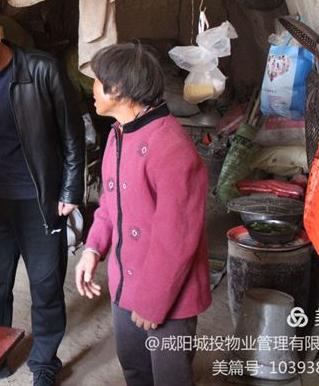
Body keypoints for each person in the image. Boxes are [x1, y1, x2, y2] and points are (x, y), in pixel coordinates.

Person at [0, 7, 84, 386]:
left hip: (41, 198)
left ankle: (45, 362)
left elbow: (72, 133)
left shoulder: (42, 70)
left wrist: (70, 189)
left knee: (46, 285)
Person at [74, 43, 211, 386]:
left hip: (168, 294)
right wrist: (92, 249)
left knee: (169, 378)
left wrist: (152, 303)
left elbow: (175, 240)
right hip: (126, 282)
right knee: (135, 369)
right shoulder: (118, 135)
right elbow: (109, 203)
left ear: (118, 89)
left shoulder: (172, 148)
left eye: (97, 80)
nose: (92, 88)